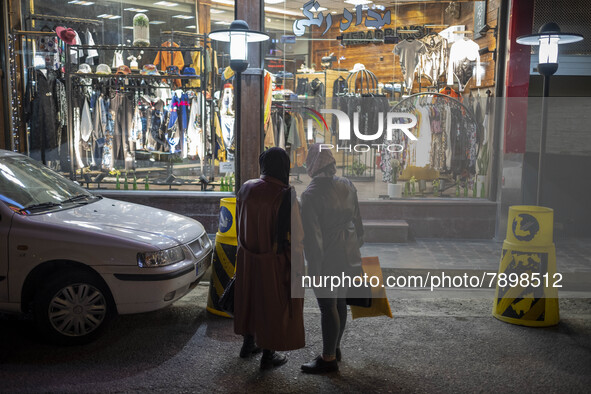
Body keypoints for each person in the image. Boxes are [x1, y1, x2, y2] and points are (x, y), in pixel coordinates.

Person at [234, 147, 306, 370]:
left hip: (247, 257)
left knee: (250, 300)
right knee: (274, 305)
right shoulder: (285, 195)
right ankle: (268, 354)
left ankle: (248, 344)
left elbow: (239, 223)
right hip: (273, 261)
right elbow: (296, 237)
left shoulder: (246, 188)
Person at [300, 144, 364, 374]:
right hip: (350, 253)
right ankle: (335, 349)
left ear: (312, 164)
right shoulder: (347, 184)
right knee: (339, 303)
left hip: (328, 258)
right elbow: (358, 222)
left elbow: (313, 239)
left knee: (328, 306)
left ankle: (328, 359)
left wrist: (314, 269)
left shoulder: (310, 195)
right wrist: (357, 247)